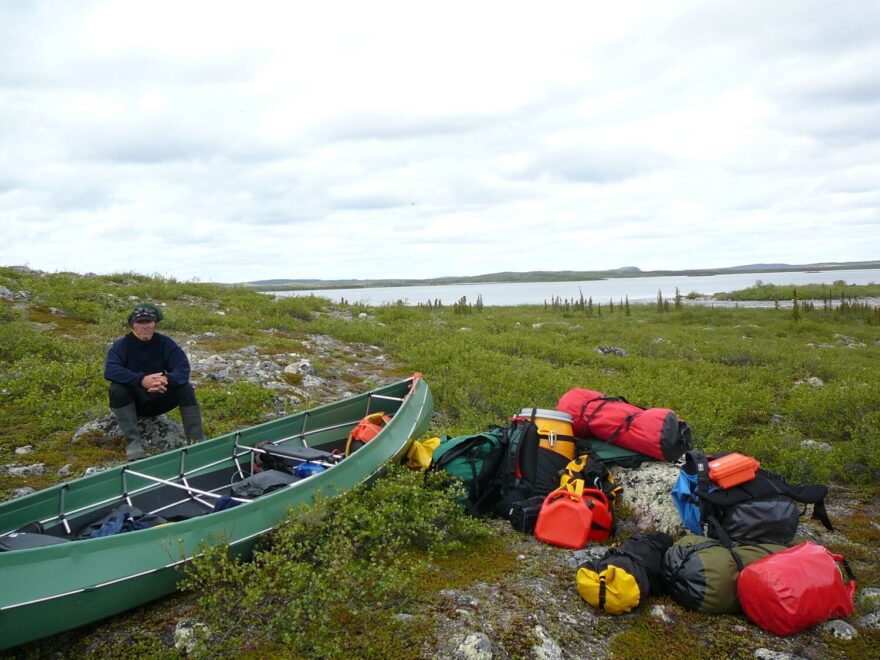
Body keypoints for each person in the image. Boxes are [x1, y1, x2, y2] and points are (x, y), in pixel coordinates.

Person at [104, 303, 205, 460]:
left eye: (148, 322)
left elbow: (183, 370)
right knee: (117, 389)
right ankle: (133, 443)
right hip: (134, 403)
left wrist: (166, 379)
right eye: (140, 322)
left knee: (186, 388)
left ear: (155, 324)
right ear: (133, 325)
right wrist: (142, 380)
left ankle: (196, 440)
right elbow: (110, 370)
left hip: (159, 398)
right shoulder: (121, 345)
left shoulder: (165, 343)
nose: (144, 326)